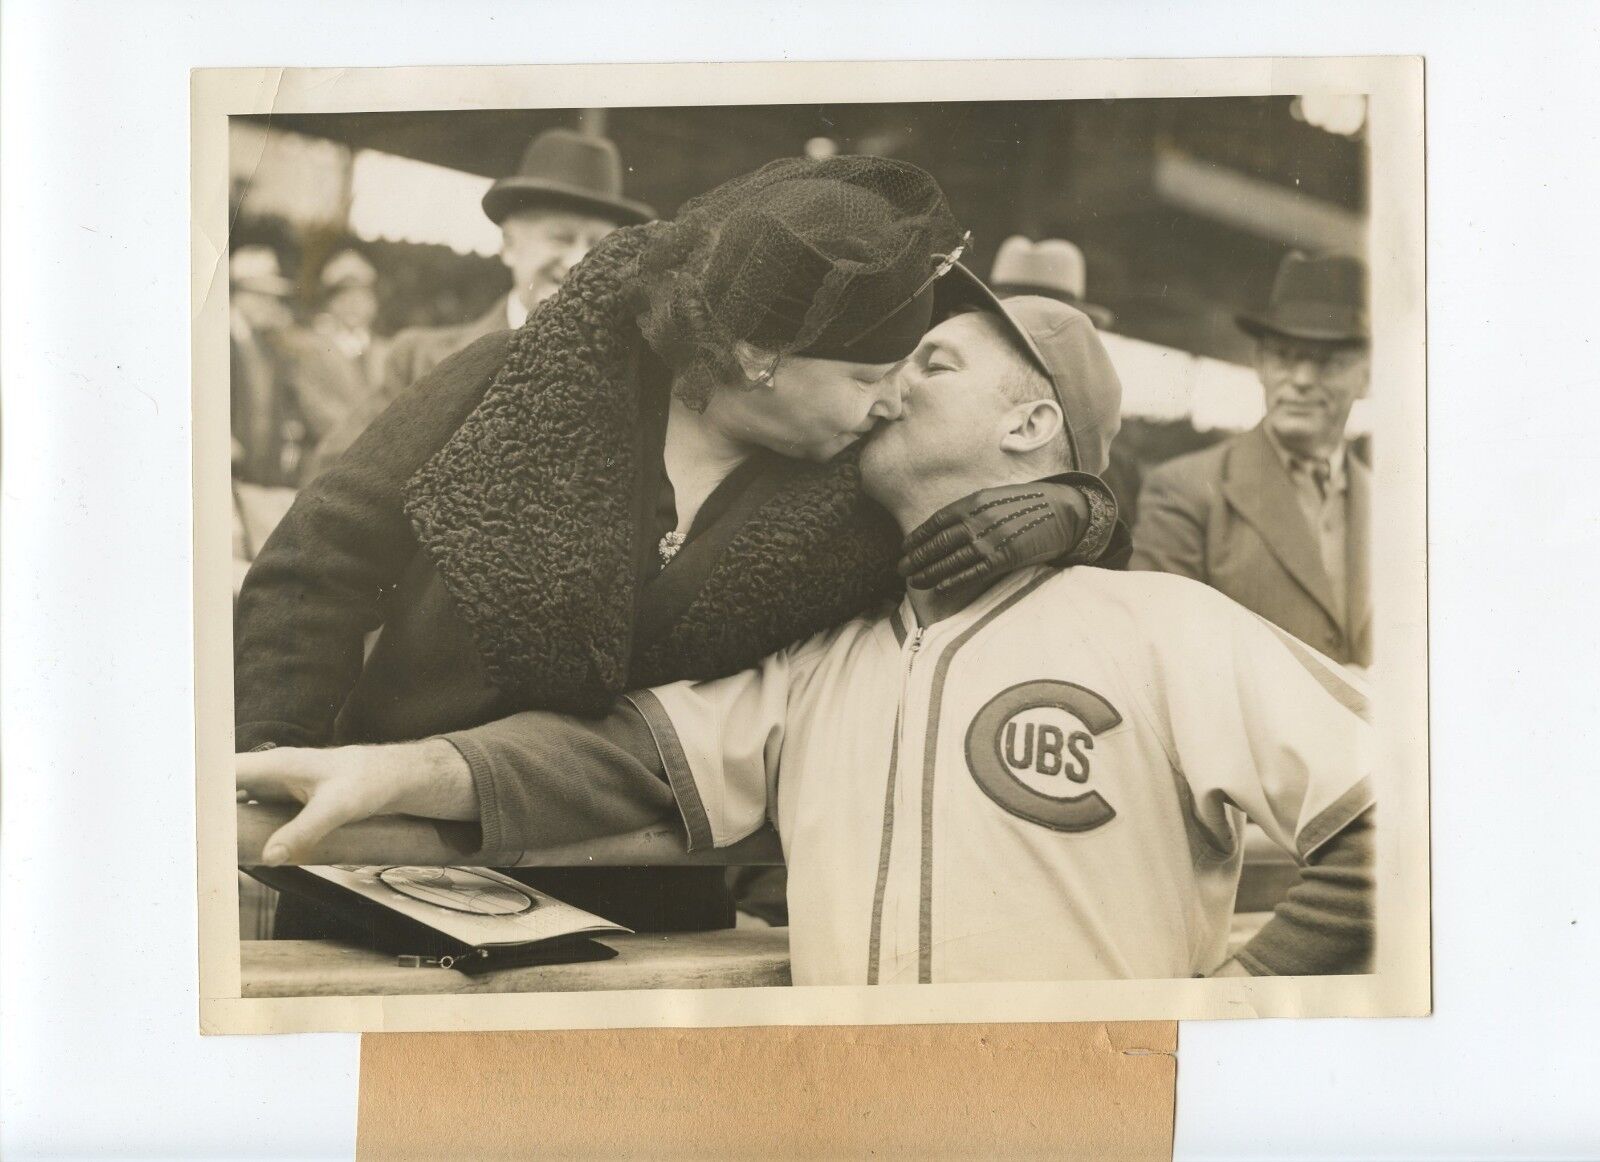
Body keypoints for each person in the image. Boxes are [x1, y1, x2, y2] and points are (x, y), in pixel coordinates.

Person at [239, 281, 1374, 984]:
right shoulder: (819, 645)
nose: (883, 388)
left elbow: (1408, 824)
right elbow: (615, 753)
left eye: (930, 363)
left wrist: (1236, 1013)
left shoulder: (1165, 627)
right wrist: (386, 771)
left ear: (1032, 423)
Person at [234, 155, 1121, 936]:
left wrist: (1074, 508)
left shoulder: (853, 490)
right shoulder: (521, 381)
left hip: (642, 910)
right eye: (866, 377)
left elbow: (1054, 532)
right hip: (373, 863)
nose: (893, 403)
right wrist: (273, 759)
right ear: (763, 355)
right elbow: (319, 566)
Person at [300, 129, 653, 480]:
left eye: (597, 244)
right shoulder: (420, 360)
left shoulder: (635, 377)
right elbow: (332, 481)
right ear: (509, 245)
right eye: (560, 237)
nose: (579, 260)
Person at [1131, 252, 1371, 667]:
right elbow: (1160, 655)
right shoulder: (1185, 490)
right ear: (1259, 364)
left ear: (1366, 377)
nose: (1301, 380)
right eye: (1284, 356)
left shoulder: (1403, 509)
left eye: (1327, 362)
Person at [990, 233, 1143, 524]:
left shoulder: (1115, 468)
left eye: (1051, 334)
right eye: (1010, 331)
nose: (1029, 349)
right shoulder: (946, 427)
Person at [274, 249, 389, 483]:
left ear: (374, 304)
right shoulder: (311, 350)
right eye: (344, 299)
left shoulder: (385, 352)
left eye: (362, 298)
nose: (354, 306)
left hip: (377, 471)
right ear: (331, 304)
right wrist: (372, 437)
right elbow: (315, 409)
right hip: (326, 466)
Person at [229, 245, 301, 487]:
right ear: (238, 295)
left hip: (257, 471)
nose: (270, 304)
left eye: (272, 298)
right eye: (261, 295)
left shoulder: (263, 342)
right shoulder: (216, 339)